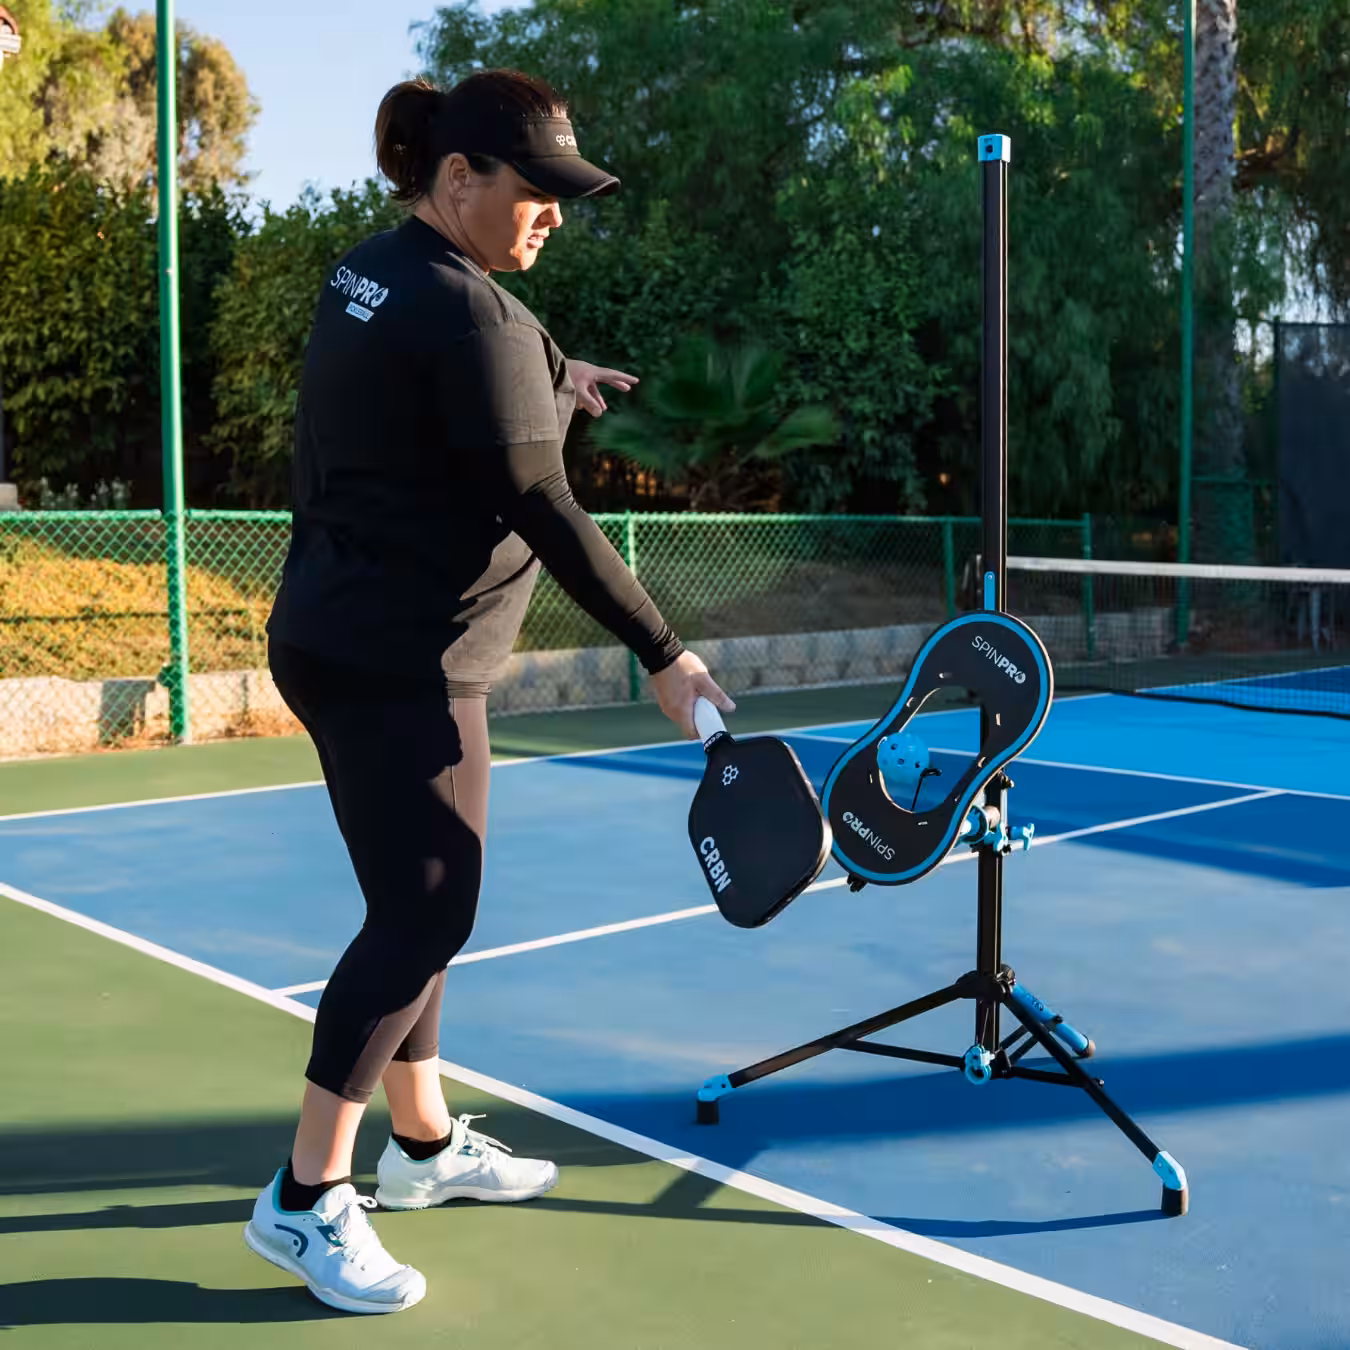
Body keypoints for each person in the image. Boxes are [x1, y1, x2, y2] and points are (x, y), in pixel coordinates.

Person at [246, 68, 735, 1315]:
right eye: (535, 192)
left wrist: (552, 378)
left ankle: (421, 1148)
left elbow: (453, 368)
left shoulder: (372, 270)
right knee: (423, 916)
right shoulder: (480, 324)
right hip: (399, 660)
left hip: (350, 632)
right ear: (457, 178)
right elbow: (544, 504)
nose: (554, 215)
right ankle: (305, 1200)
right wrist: (664, 652)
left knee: (425, 907)